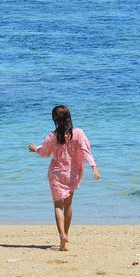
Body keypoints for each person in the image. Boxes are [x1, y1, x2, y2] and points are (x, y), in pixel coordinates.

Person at [28, 105, 99, 251]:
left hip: (56, 173)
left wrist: (35, 149)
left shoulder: (52, 136)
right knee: (68, 204)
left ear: (54, 120)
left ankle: (62, 235)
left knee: (58, 206)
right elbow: (86, 150)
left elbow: (45, 153)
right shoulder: (78, 133)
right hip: (73, 173)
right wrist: (94, 167)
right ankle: (65, 238)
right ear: (69, 117)